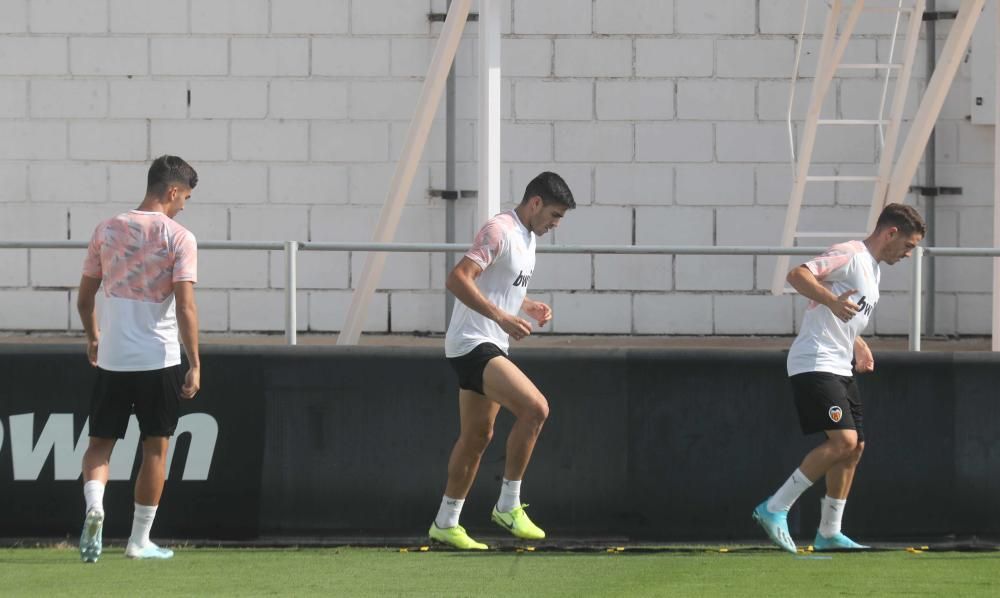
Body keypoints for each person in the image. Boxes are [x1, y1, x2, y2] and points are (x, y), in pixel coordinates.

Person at [753, 203, 927, 553]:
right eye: (908, 246)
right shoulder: (849, 254)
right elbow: (798, 275)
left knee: (855, 447)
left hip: (839, 365)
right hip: (814, 362)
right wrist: (833, 301)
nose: (908, 254)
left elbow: (843, 314)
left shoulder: (873, 271)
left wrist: (857, 343)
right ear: (890, 233)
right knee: (844, 441)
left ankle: (829, 532)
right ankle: (774, 508)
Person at [428, 172, 575, 550]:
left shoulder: (528, 238)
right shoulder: (499, 230)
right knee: (536, 409)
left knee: (478, 436)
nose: (555, 225)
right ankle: (508, 505)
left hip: (490, 343)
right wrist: (501, 317)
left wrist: (526, 305)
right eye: (555, 215)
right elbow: (458, 279)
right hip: (472, 343)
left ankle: (446, 521)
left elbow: (499, 283)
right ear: (535, 203)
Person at [76, 155, 201, 562]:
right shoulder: (179, 237)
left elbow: (84, 298)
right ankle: (138, 540)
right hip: (158, 359)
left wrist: (94, 336)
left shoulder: (106, 229)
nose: (184, 205)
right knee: (154, 449)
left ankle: (95, 507)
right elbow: (185, 307)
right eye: (185, 197)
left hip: (113, 358)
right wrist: (195, 362)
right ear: (172, 191)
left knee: (99, 446)